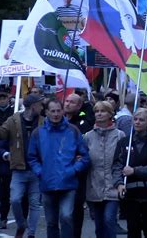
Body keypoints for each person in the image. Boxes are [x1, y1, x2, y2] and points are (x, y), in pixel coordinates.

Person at [27, 99, 90, 238]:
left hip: (68, 183)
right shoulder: (38, 133)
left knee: (67, 216)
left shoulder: (73, 131)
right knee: (51, 222)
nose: (56, 114)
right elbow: (32, 157)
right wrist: (40, 171)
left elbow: (85, 156)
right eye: (52, 111)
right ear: (47, 112)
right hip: (47, 183)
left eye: (58, 110)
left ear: (62, 111)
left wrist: (73, 170)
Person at [112, 108, 147, 238]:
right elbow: (117, 165)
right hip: (131, 195)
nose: (137, 122)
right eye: (135, 119)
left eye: (141, 120)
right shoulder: (124, 142)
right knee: (133, 230)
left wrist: (135, 170)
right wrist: (119, 184)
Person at [0, 94, 44, 238]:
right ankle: (21, 224)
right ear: (33, 106)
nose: (42, 107)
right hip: (19, 169)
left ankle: (31, 233)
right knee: (15, 199)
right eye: (40, 105)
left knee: (34, 203)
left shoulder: (44, 122)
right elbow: (2, 134)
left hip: (37, 169)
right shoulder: (13, 120)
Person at [84, 101, 126, 238]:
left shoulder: (119, 135)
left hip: (113, 185)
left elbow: (123, 159)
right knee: (99, 224)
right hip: (93, 185)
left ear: (110, 114)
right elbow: (84, 158)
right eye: (97, 111)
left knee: (109, 219)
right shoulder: (88, 136)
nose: (99, 114)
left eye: (103, 111)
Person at [64, 93, 93, 238]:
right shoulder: (58, 121)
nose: (67, 104)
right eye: (67, 101)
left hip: (77, 171)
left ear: (79, 106)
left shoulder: (83, 123)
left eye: (72, 102)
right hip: (59, 170)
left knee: (76, 207)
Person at [0, 89, 13, 229]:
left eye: (4, 98)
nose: (2, 100)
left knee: (6, 190)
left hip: (9, 153)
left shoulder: (14, 113)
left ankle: (3, 216)